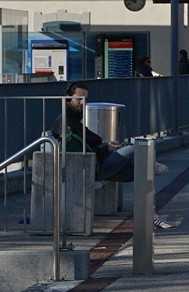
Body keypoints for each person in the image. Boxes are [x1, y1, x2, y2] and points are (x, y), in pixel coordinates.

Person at [51, 81, 175, 229]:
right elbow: (84, 150)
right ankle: (153, 166)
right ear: (67, 97)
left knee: (143, 172)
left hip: (96, 163)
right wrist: (104, 148)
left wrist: (105, 145)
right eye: (78, 98)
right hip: (96, 167)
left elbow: (88, 144)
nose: (82, 103)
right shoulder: (68, 123)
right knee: (139, 147)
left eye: (84, 99)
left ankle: (150, 215)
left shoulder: (70, 119)